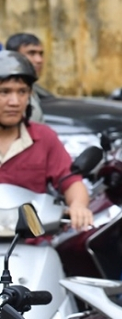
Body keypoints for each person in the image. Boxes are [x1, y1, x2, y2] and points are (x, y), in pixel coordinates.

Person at [0, 50, 92, 229]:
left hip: (30, 241)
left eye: (22, 92)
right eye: (4, 92)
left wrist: (78, 206)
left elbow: (71, 181)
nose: (15, 101)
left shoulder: (45, 137)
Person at [6, 33, 44, 123]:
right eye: (31, 53)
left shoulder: (32, 88)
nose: (39, 60)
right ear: (13, 56)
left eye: (41, 54)